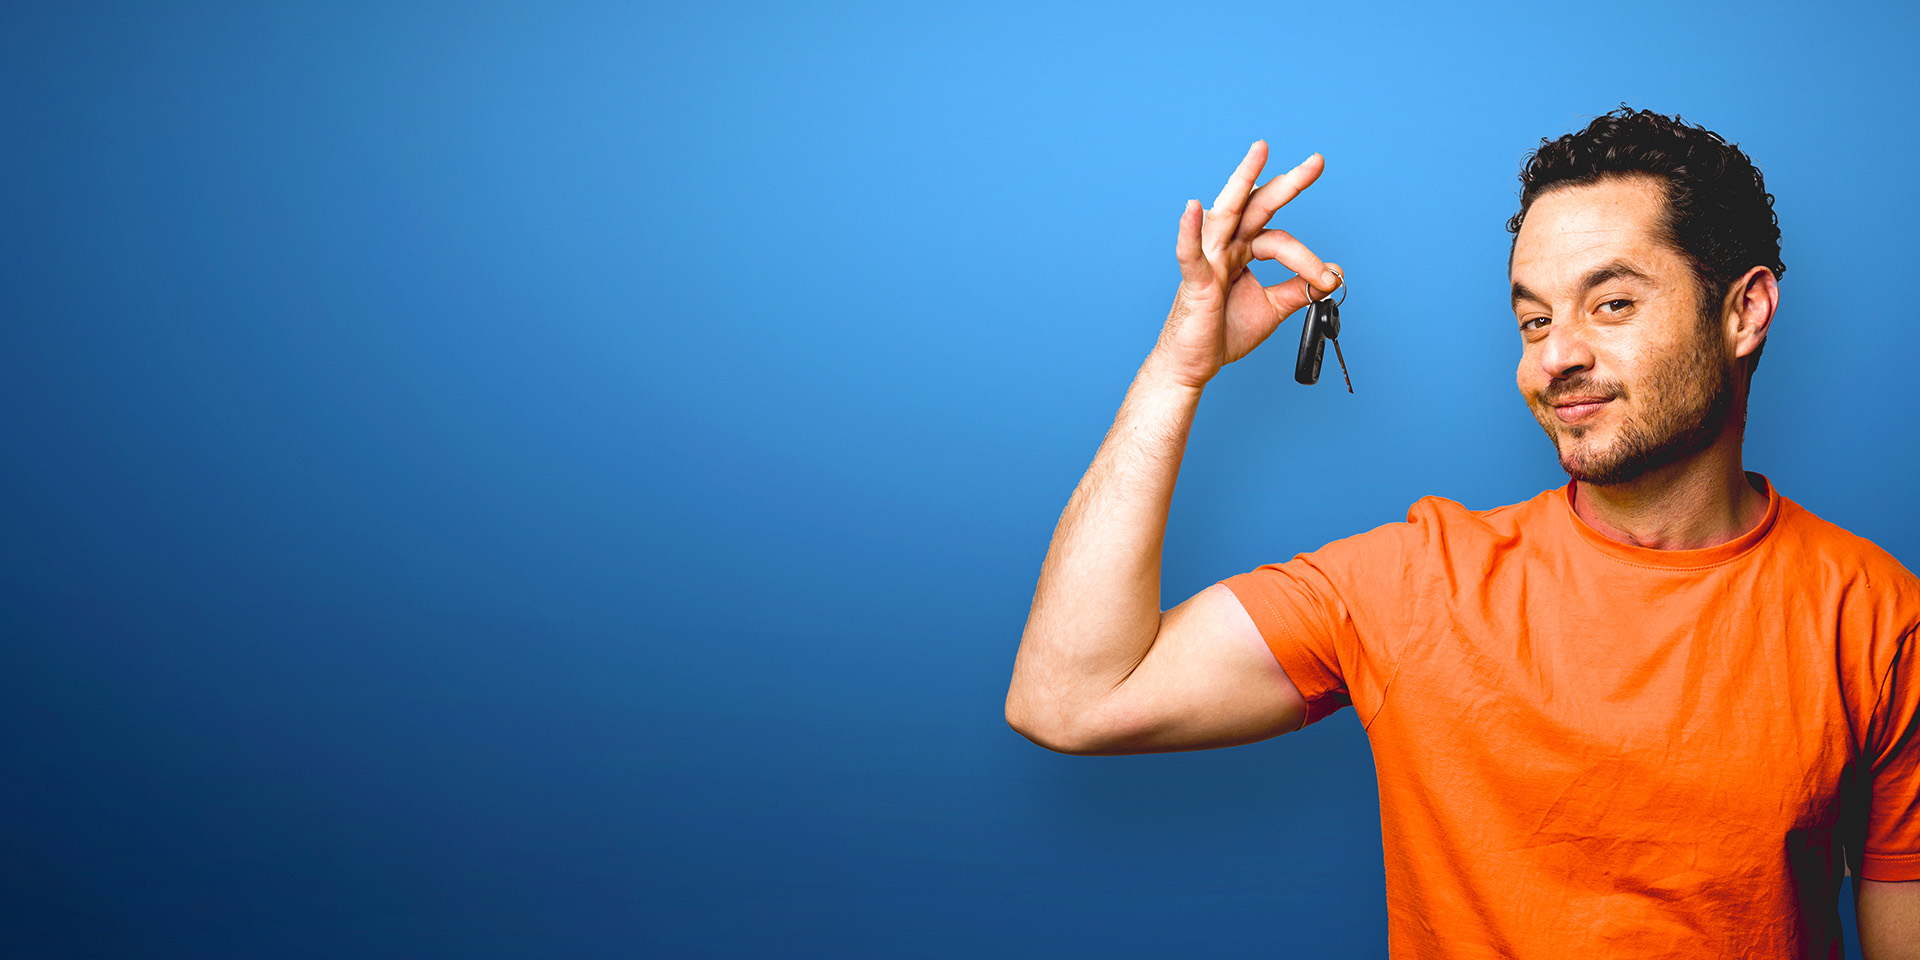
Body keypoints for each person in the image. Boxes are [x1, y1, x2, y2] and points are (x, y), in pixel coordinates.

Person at [1004, 107, 1920, 958]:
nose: (1556, 356)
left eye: (1612, 304)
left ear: (1744, 312)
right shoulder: (1415, 583)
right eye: (1534, 318)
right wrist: (1180, 365)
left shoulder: (1877, 618)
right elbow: (1069, 699)